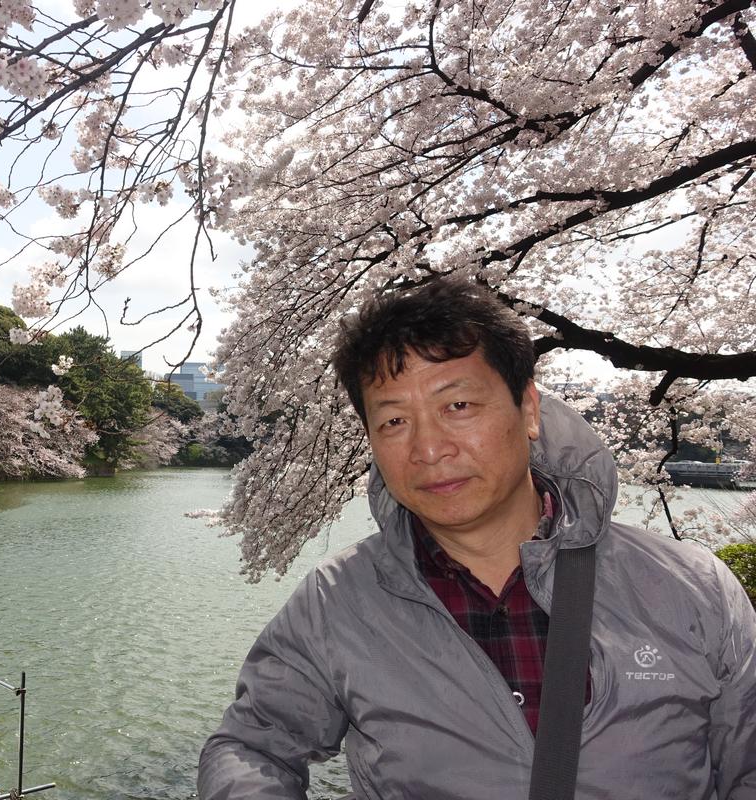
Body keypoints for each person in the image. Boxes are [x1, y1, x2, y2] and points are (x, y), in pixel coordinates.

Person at [197, 277, 756, 799]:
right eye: (393, 421)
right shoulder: (337, 601)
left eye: (457, 406)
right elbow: (253, 745)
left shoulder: (691, 588)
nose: (429, 448)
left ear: (529, 409)